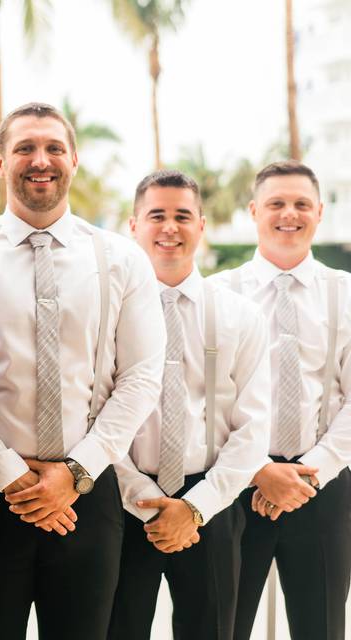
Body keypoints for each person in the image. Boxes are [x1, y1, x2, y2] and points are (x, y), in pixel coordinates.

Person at [0, 101, 165, 639]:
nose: (40, 160)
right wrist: (12, 476)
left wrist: (73, 473)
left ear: (74, 159)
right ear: (0, 162)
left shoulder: (122, 261)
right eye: (25, 148)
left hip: (87, 496)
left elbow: (143, 376)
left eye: (54, 148)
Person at [106, 170, 271, 639]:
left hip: (212, 507)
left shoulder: (241, 316)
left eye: (182, 216)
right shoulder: (110, 313)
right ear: (133, 225)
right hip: (122, 503)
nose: (169, 227)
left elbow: (254, 428)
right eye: (156, 215)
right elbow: (94, 414)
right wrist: (142, 500)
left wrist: (194, 508)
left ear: (201, 225)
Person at [209, 161, 351, 640]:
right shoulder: (217, 294)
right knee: (224, 627)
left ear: (319, 212)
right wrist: (256, 470)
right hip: (232, 487)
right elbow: (205, 400)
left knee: (323, 628)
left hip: (323, 487)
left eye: (300, 204)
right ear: (253, 211)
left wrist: (309, 473)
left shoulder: (347, 293)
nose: (288, 214)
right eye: (276, 203)